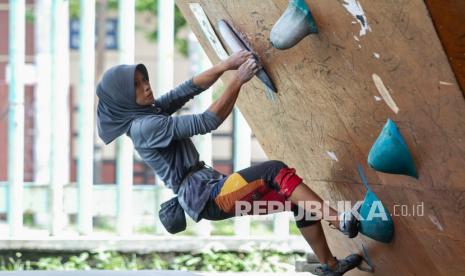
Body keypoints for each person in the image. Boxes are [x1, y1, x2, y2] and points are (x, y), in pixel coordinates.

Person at [96, 50, 362, 275]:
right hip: (210, 197)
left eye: (144, 79)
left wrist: (226, 65)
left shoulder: (148, 112)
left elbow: (188, 89)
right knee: (274, 170)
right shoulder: (144, 126)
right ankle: (339, 221)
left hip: (211, 190)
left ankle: (329, 266)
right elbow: (206, 122)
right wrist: (237, 80)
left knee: (297, 201)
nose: (146, 85)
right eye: (136, 85)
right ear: (122, 99)